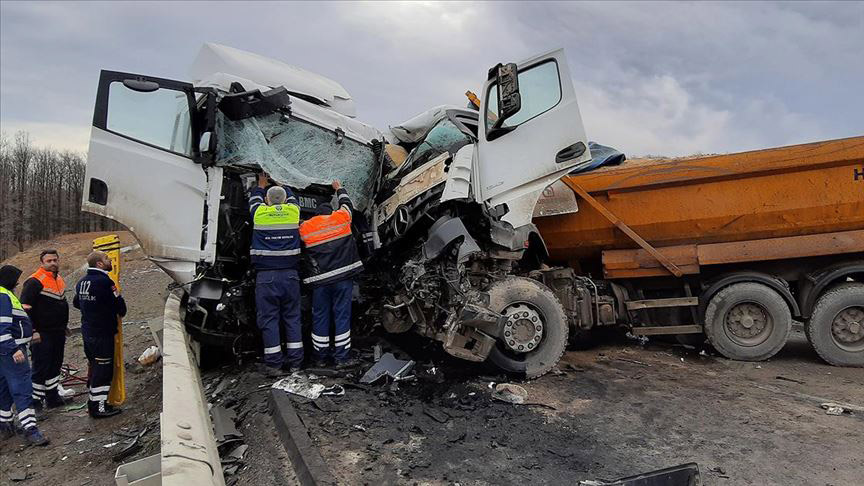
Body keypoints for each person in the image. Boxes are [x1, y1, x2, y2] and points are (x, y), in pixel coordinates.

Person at [299, 180, 363, 368]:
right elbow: (347, 204)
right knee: (341, 316)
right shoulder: (341, 218)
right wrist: (339, 189)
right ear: (331, 211)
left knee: (320, 316)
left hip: (320, 282)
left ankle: (320, 357)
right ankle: (341, 358)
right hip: (343, 279)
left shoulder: (306, 227)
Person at [249, 172, 303, 372]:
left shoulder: (259, 213)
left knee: (269, 319)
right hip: (290, 276)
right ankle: (296, 363)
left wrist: (261, 184)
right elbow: (293, 199)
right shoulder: (293, 212)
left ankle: (274, 364)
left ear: (266, 201)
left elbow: (255, 199)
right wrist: (281, 182)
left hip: (266, 277)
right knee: (292, 318)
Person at [73, 251, 126, 418]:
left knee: (95, 367)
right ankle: (98, 408)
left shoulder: (82, 282)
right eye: (107, 259)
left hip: (88, 331)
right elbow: (120, 306)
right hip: (102, 332)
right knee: (103, 370)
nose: (110, 261)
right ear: (100, 264)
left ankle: (93, 404)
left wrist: (91, 309)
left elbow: (76, 302)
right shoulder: (105, 282)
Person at [0, 264, 49, 445]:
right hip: (11, 350)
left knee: (4, 389)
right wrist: (13, 349)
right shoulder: (3, 296)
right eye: (16, 280)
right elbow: (2, 326)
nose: (18, 283)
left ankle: (5, 424)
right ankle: (31, 430)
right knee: (22, 390)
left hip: (4, 350)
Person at [20, 249, 72, 409]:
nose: (53, 263)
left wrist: (64, 326)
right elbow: (25, 309)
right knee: (40, 366)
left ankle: (52, 396)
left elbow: (61, 304)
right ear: (42, 263)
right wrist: (33, 331)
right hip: (41, 332)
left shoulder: (59, 280)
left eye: (55, 260)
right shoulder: (34, 281)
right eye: (49, 261)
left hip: (57, 331)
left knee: (55, 364)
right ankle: (35, 401)